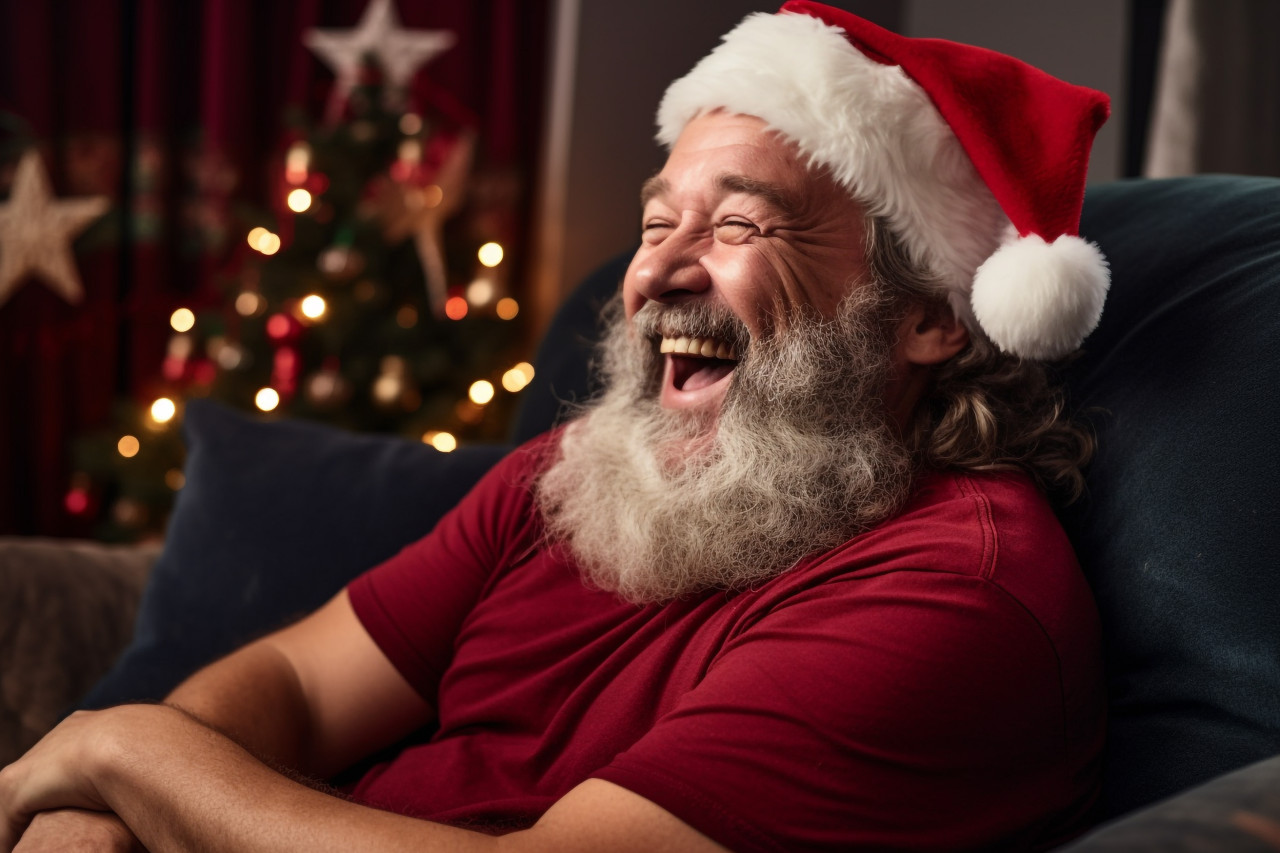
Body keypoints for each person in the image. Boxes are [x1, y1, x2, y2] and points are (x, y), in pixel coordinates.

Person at [0, 3, 1113, 851]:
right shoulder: (576, 476)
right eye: (655, 221)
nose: (658, 271)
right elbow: (293, 685)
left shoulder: (953, 595)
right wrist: (92, 817)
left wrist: (117, 746)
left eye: (736, 224)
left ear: (926, 317)